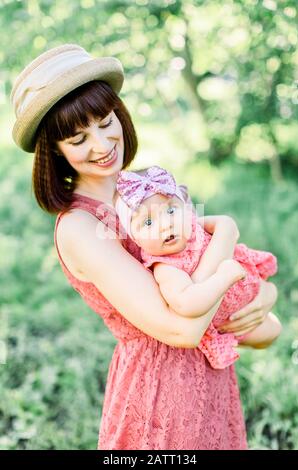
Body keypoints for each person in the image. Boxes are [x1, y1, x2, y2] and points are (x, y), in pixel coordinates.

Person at [11, 44, 279, 450]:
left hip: (212, 380)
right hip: (160, 399)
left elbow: (244, 307)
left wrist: (265, 291)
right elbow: (183, 328)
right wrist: (226, 232)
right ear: (56, 150)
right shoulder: (81, 226)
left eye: (105, 122)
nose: (101, 146)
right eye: (79, 138)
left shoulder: (148, 191)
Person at [115, 166, 281, 370]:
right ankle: (228, 340)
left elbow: (223, 224)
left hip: (249, 293)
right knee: (270, 332)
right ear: (135, 239)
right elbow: (187, 303)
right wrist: (224, 277)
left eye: (171, 210)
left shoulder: (193, 226)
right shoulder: (166, 267)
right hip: (229, 319)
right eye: (148, 222)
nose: (166, 224)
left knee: (275, 329)